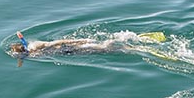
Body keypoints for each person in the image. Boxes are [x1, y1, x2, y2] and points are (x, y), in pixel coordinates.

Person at [10, 31, 168, 66]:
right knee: (104, 47)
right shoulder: (32, 49)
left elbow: (59, 42)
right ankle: (132, 43)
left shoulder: (35, 50)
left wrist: (81, 40)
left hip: (72, 50)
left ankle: (137, 47)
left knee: (105, 47)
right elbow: (59, 42)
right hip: (71, 50)